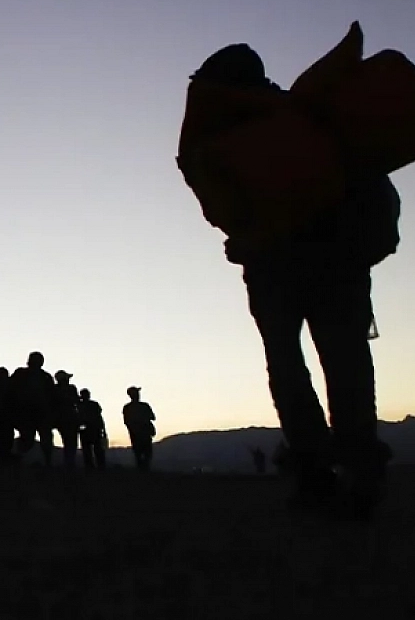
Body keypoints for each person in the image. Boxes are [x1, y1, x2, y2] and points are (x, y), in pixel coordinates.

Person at [191, 43, 400, 518]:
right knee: (346, 360)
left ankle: (313, 473)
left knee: (287, 369)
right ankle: (361, 469)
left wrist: (246, 240)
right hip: (340, 264)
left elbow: (224, 209)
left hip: (273, 270)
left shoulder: (227, 131)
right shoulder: (310, 114)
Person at [11, 352, 56, 465]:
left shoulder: (45, 377)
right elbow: (12, 391)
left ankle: (46, 462)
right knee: (28, 439)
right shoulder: (22, 374)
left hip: (39, 412)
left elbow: (52, 396)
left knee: (43, 439)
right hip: (27, 412)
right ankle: (21, 460)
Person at [123, 386, 156, 472]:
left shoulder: (127, 408)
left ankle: (142, 471)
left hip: (136, 434)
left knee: (139, 454)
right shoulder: (144, 406)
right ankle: (144, 471)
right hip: (143, 433)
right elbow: (152, 417)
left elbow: (127, 422)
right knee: (146, 454)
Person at [78, 388, 108, 471]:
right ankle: (98, 467)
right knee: (95, 450)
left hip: (89, 429)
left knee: (90, 450)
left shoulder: (80, 405)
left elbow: (99, 417)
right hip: (92, 429)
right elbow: (99, 417)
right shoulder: (92, 404)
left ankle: (91, 467)